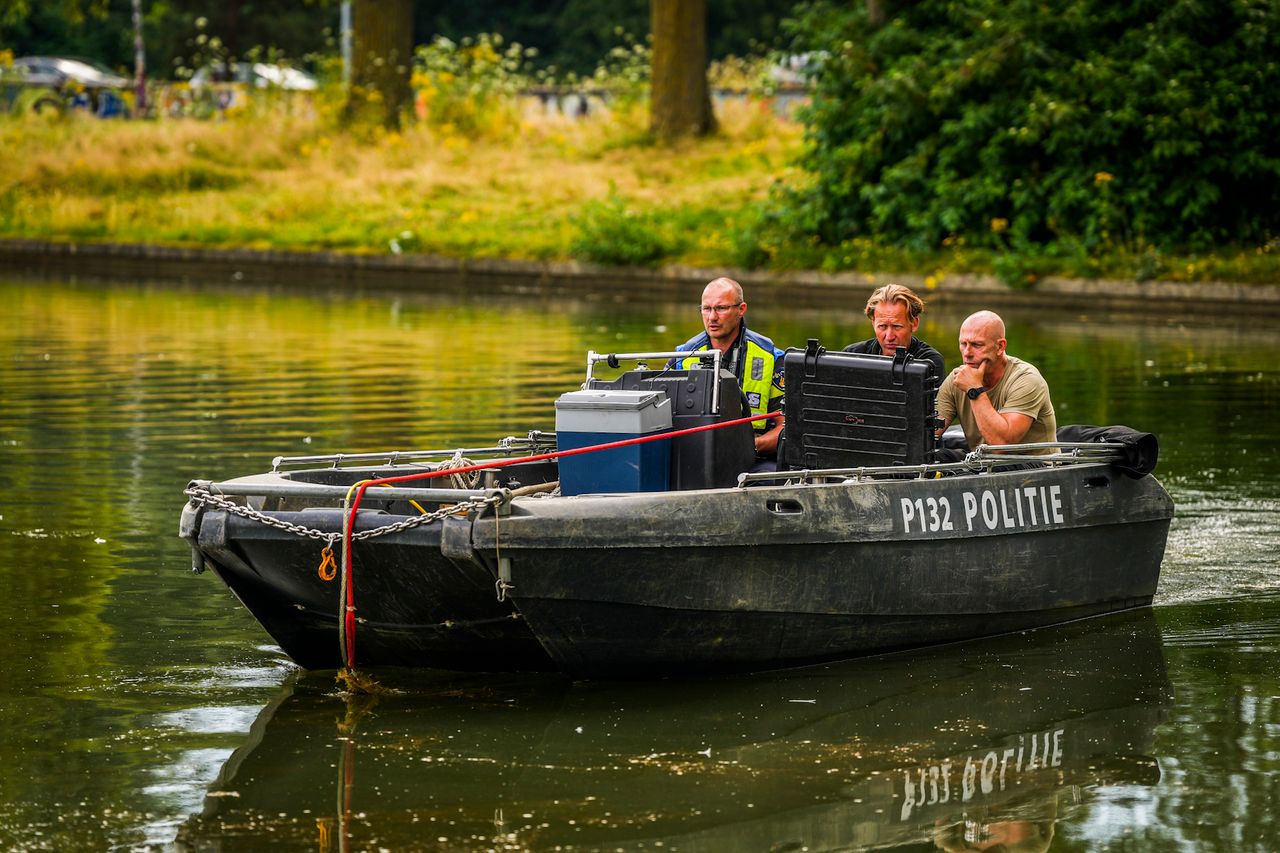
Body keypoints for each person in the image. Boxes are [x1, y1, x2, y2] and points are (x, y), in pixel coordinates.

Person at [669, 277, 785, 464]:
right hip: (695, 456)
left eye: (721, 308)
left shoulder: (771, 358)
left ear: (741, 310)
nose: (712, 317)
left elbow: (786, 427)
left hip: (756, 459)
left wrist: (748, 447)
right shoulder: (683, 357)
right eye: (706, 309)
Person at [936, 310, 1056, 452]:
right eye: (963, 344)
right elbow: (929, 432)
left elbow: (1001, 446)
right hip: (982, 464)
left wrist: (974, 389)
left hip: (1035, 466)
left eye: (977, 345)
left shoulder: (1027, 379)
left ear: (1000, 346)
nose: (967, 353)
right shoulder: (956, 380)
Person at [843, 283, 946, 380]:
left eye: (897, 326)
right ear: (873, 323)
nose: (889, 337)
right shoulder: (852, 355)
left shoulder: (929, 362)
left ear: (914, 324)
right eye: (882, 326)